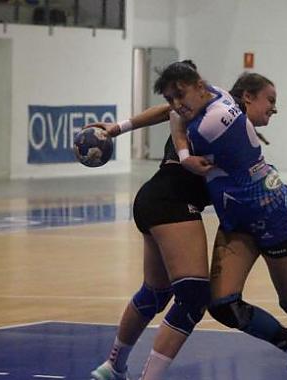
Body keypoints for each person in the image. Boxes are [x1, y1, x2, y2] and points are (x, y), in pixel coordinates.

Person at [158, 62, 287, 380]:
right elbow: (170, 113)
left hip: (276, 217)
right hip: (238, 223)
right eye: (270, 100)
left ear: (199, 87)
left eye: (179, 96)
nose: (176, 105)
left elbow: (175, 125)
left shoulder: (209, 125)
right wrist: (121, 127)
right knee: (223, 304)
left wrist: (181, 149)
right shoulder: (215, 93)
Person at [87, 103, 211, 380]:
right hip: (174, 202)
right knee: (193, 298)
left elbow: (169, 110)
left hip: (152, 199)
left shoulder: (204, 112)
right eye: (270, 101)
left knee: (156, 292)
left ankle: (113, 367)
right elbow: (171, 109)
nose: (274, 109)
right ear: (247, 98)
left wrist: (118, 128)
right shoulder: (222, 115)